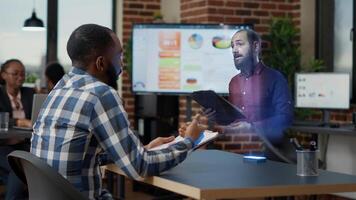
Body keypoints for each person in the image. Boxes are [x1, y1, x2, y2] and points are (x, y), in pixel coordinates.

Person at [30, 24, 204, 199]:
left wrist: (143, 149)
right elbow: (139, 168)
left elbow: (74, 153)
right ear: (101, 63)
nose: (123, 64)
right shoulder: (100, 94)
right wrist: (189, 141)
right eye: (119, 56)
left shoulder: (60, 88)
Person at [205, 29, 294, 162]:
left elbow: (285, 117)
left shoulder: (275, 78)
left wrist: (252, 127)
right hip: (236, 156)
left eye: (239, 44)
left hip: (269, 155)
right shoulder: (233, 82)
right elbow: (234, 120)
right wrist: (216, 117)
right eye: (232, 46)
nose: (235, 50)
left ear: (256, 46)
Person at [0, 59, 34, 200]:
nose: (20, 77)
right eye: (15, 74)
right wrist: (19, 121)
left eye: (23, 74)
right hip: (3, 146)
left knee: (16, 169)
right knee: (20, 167)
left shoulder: (29, 93)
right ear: (3, 75)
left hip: (25, 146)